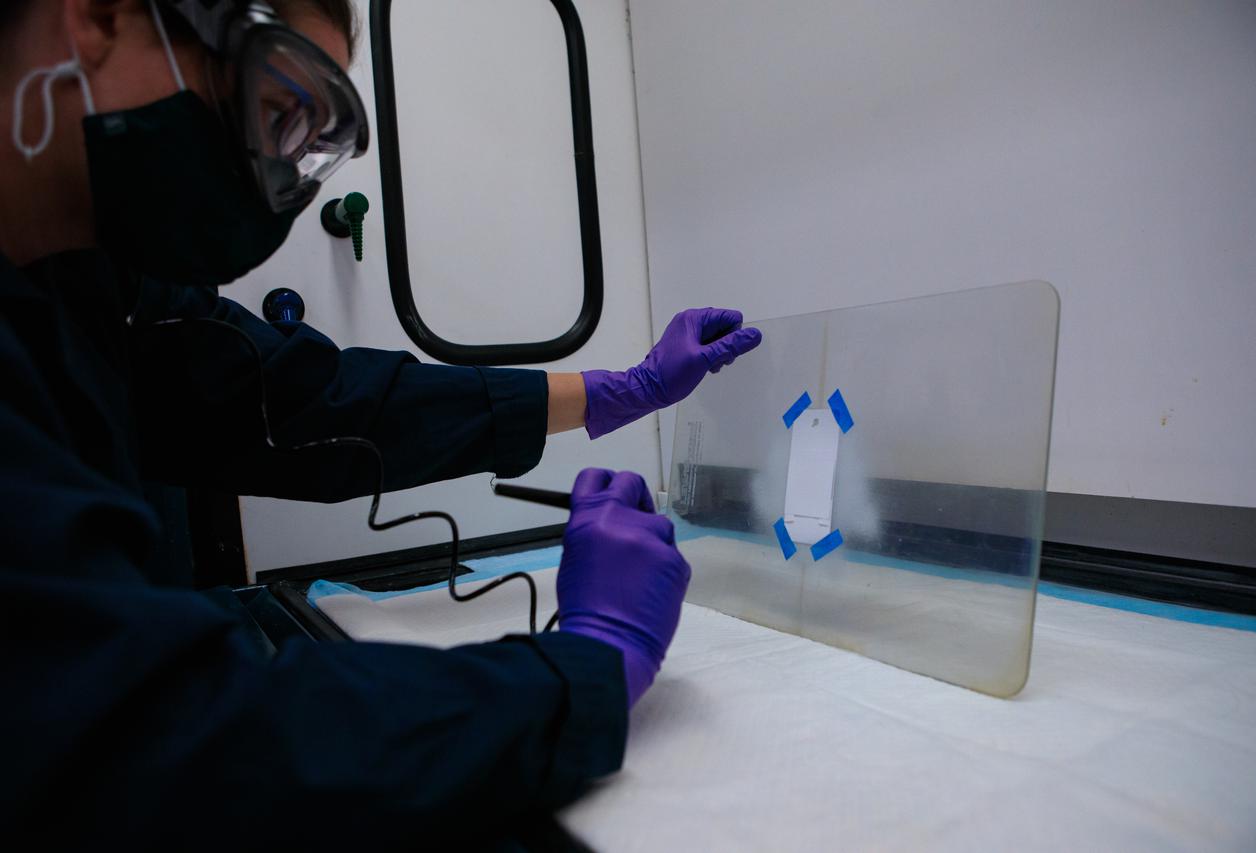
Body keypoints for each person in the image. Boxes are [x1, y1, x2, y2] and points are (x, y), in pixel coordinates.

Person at [0, 0, 762, 847]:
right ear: (99, 15)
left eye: (301, 137)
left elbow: (304, 401)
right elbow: (149, 742)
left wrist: (619, 389)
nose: (270, 171)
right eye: (273, 109)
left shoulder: (83, 285)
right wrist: (585, 668)